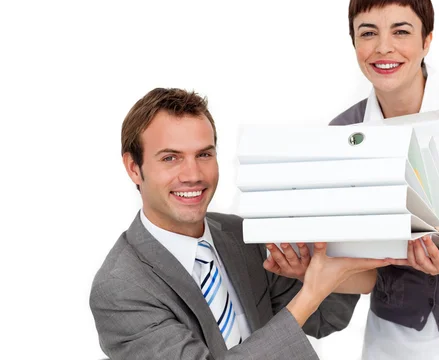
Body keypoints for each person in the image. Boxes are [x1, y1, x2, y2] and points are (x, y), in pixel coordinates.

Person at [266, 0, 439, 360]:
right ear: (353, 42)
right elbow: (366, 276)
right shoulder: (343, 134)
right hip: (392, 337)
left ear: (427, 40)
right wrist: (309, 272)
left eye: (401, 31)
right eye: (368, 33)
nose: (384, 47)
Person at [89, 88, 389, 360]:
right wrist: (309, 293)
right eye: (170, 158)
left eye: (204, 154)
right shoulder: (119, 288)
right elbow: (303, 309)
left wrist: (321, 262)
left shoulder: (238, 235)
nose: (193, 174)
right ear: (133, 167)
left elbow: (325, 318)